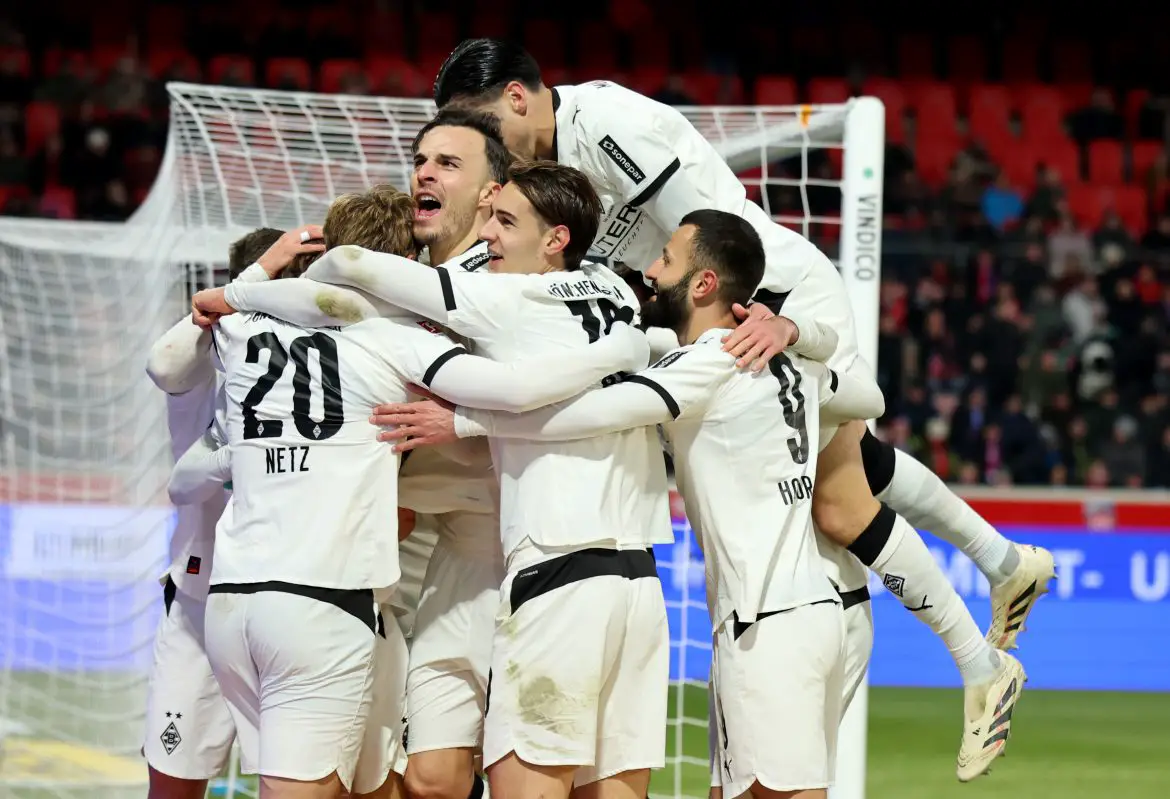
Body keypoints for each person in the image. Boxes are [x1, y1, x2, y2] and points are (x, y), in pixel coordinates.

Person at [432, 39, 1046, 778]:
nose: (483, 144)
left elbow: (711, 239)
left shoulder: (605, 121)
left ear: (517, 97)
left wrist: (753, 319)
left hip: (764, 296)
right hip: (721, 309)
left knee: (840, 501)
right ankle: (1002, 561)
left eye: (483, 125)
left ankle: (979, 660)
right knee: (846, 457)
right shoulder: (544, 172)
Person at [374, 209, 890, 799]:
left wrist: (465, 420)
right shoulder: (780, 358)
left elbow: (594, 414)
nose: (650, 270)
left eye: (666, 260)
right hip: (811, 609)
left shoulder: (709, 363)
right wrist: (796, 331)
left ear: (702, 285)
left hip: (762, 616)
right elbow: (869, 395)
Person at [200, 162, 673, 799]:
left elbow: (355, 271)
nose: (490, 238)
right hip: (634, 569)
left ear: (555, 237)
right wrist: (638, 347)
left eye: (503, 222)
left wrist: (243, 294)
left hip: (549, 562)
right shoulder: (613, 289)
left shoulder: (490, 297)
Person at [141, 225, 318, 799]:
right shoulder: (199, 359)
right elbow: (162, 366)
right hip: (200, 600)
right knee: (174, 787)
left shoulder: (321, 366)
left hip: (289, 598)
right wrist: (255, 281)